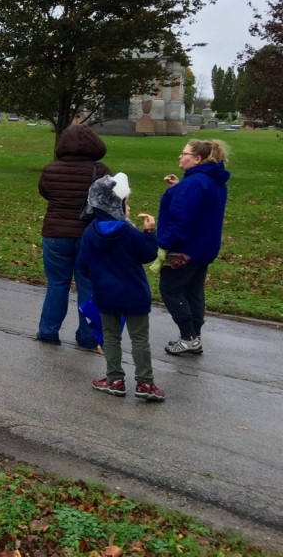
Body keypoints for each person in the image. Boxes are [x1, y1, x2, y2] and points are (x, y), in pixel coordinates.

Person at [77, 173, 165, 402]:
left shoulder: (90, 233)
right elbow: (148, 254)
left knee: (111, 336)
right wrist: (149, 233)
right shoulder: (129, 233)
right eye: (126, 202)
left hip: (106, 293)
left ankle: (114, 378)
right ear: (117, 204)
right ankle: (145, 383)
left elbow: (83, 267)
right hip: (134, 293)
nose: (128, 206)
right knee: (139, 338)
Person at [36, 124, 111, 350]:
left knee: (57, 283)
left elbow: (45, 192)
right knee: (88, 286)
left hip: (55, 233)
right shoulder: (101, 172)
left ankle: (48, 330)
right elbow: (109, 201)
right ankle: (88, 336)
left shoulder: (50, 170)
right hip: (89, 235)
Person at [157, 139, 231, 356]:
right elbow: (201, 208)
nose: (180, 157)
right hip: (204, 247)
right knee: (193, 291)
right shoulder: (212, 181)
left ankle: (187, 336)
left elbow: (181, 220)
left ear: (197, 159)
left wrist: (163, 243)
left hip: (185, 249)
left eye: (184, 154)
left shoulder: (194, 184)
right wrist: (178, 189)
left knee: (170, 288)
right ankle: (195, 337)